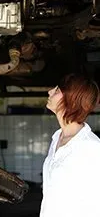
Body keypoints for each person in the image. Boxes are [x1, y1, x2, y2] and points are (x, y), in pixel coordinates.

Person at [40, 73, 100, 217]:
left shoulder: (91, 148)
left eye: (57, 90)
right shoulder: (57, 138)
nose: (50, 92)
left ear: (71, 99)